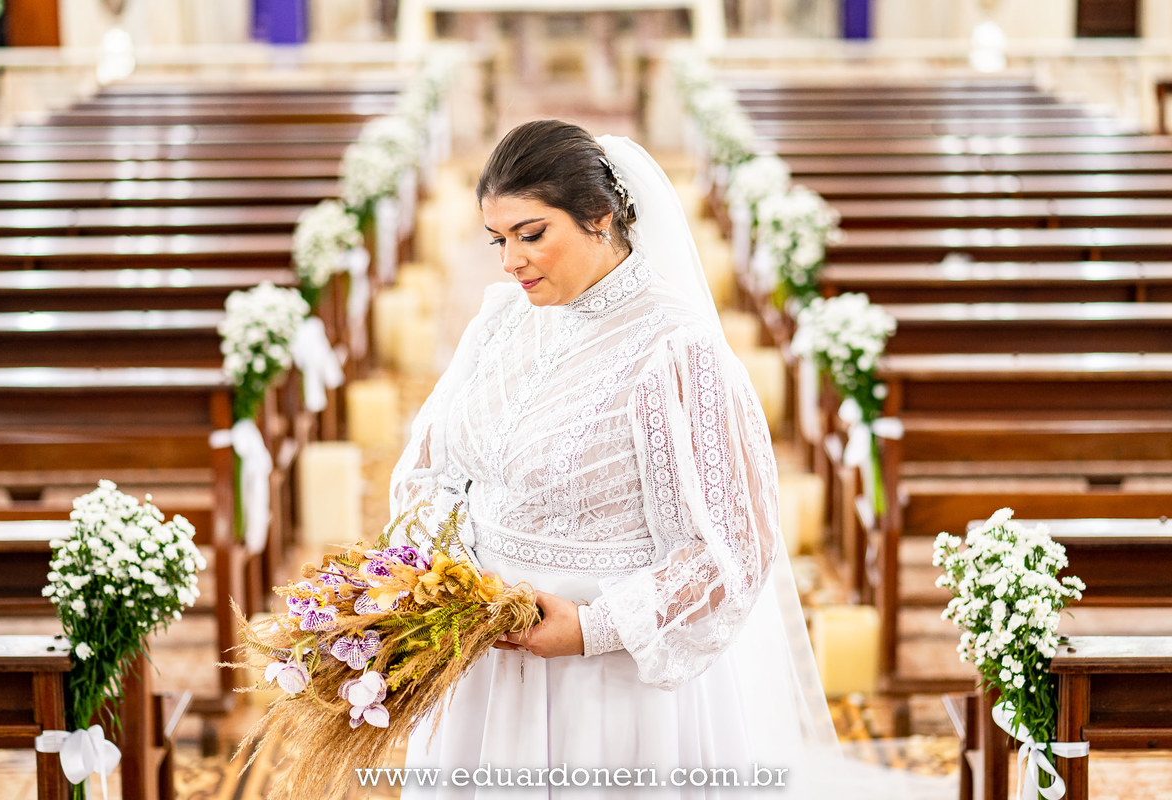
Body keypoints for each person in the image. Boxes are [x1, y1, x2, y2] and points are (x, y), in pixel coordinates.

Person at [388, 120, 952, 799]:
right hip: (480, 665)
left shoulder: (676, 350)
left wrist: (592, 628)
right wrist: (434, 573)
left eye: (531, 234)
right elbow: (433, 462)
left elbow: (733, 547)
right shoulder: (501, 321)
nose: (510, 261)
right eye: (498, 239)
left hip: (607, 688)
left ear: (600, 217)